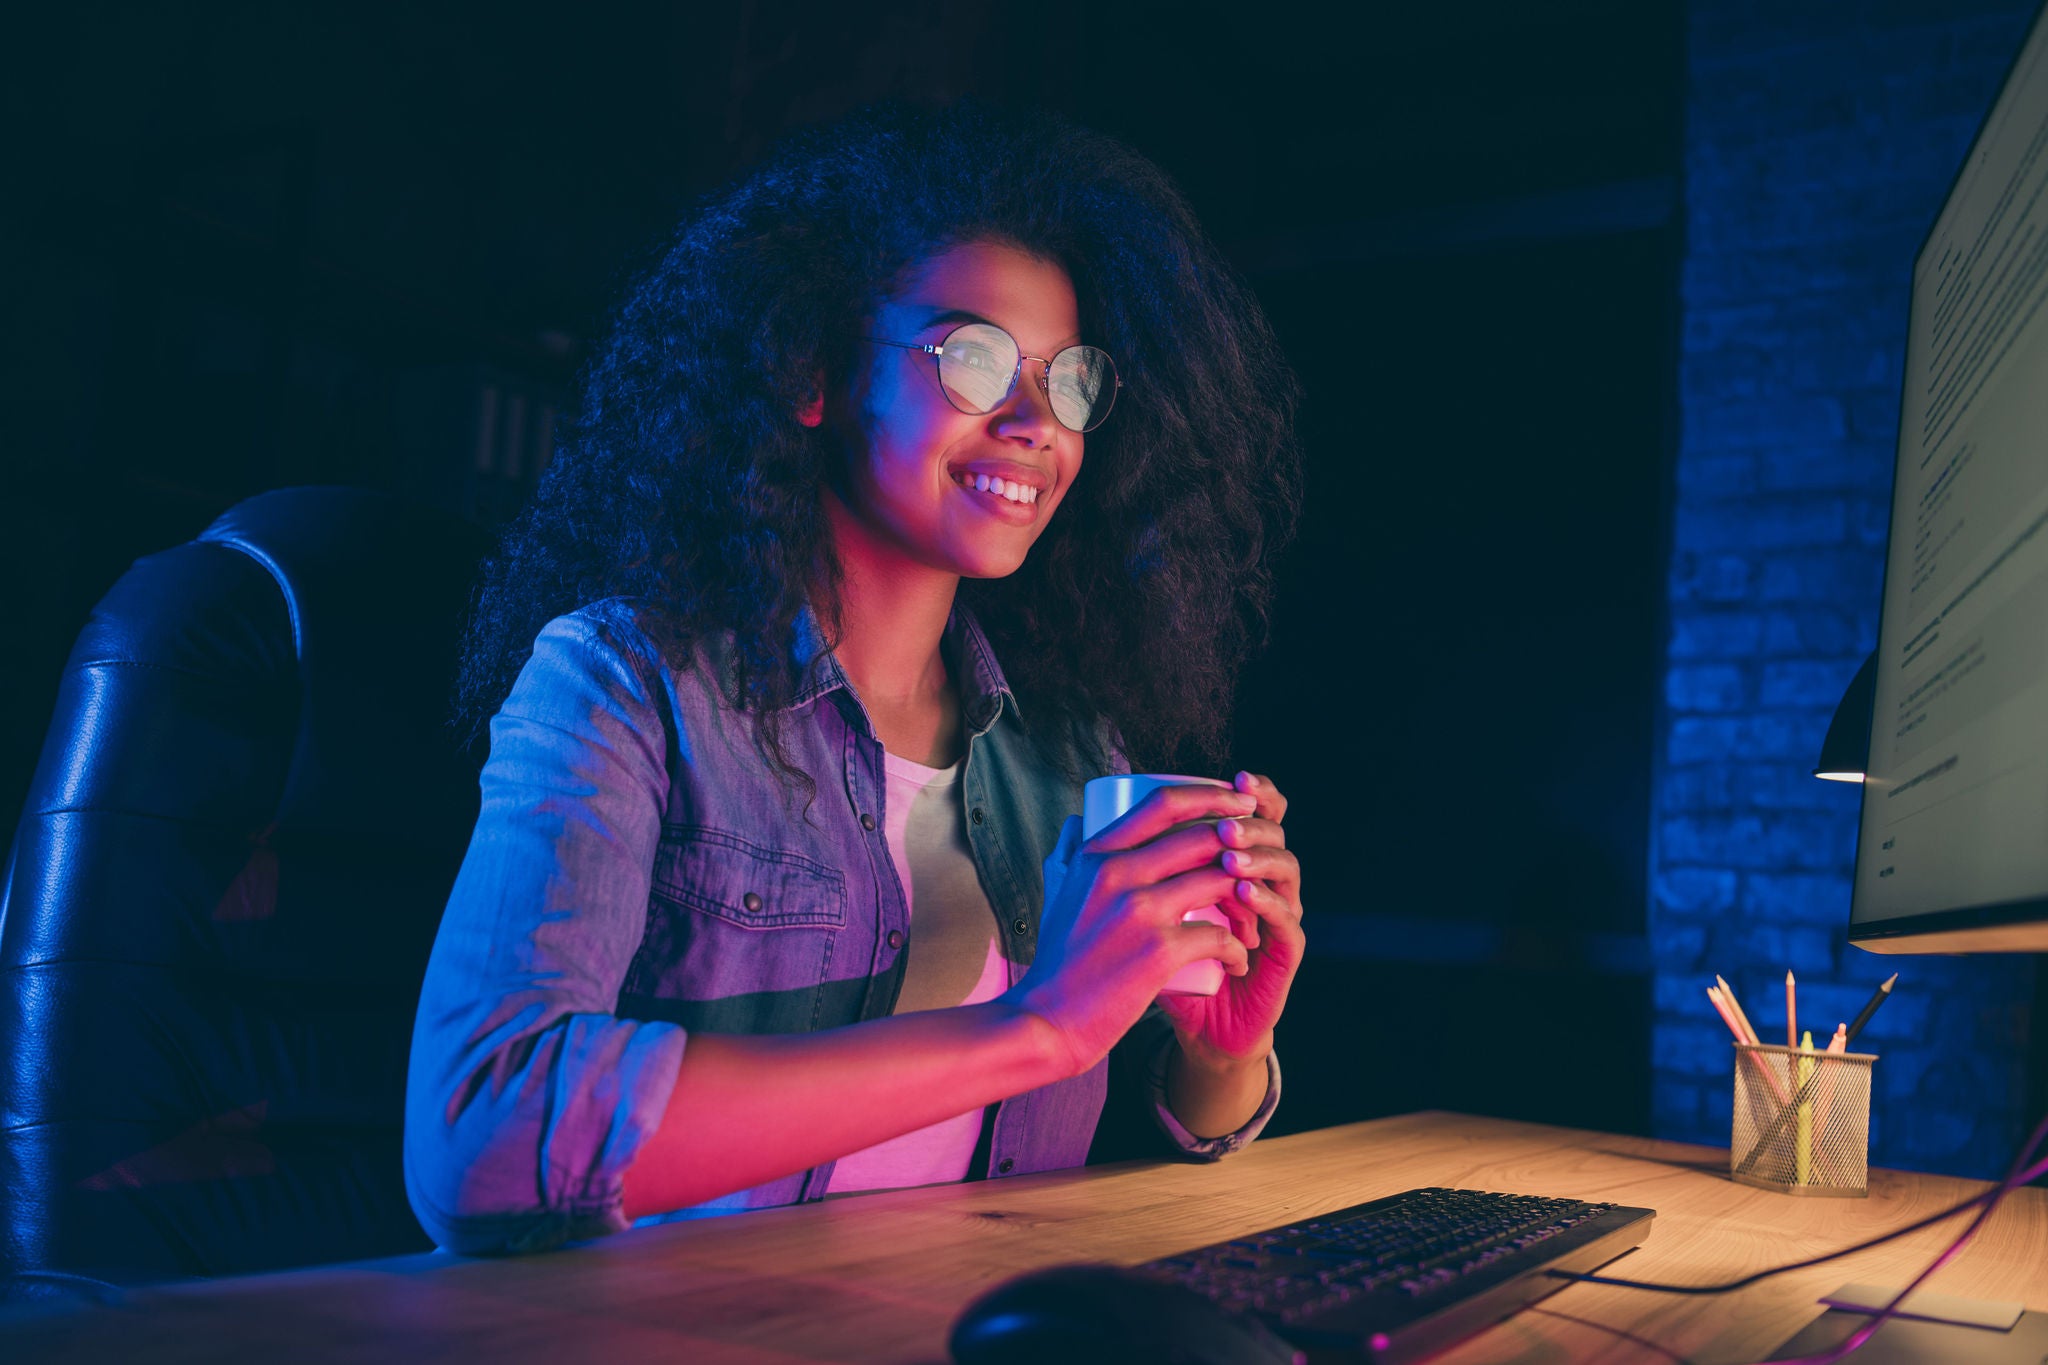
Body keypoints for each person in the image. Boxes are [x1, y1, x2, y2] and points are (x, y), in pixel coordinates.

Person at [403, 101, 1306, 1256]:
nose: (1038, 423)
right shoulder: (621, 682)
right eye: (974, 359)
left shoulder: (1075, 765)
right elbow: (484, 1133)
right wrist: (1040, 1029)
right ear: (813, 372)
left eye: (1070, 380)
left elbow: (1192, 1136)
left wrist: (1219, 1052)